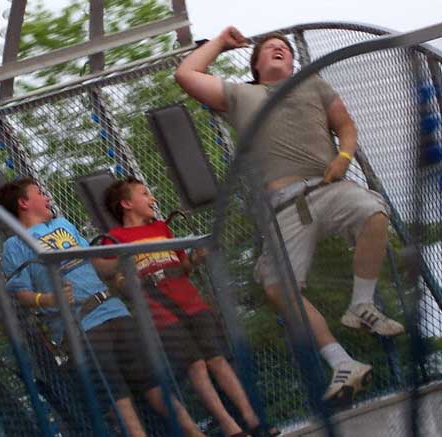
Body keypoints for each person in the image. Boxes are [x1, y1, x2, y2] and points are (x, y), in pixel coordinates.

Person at [174, 26, 405, 403]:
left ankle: (361, 304)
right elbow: (185, 75)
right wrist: (220, 43)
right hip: (284, 206)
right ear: (256, 63)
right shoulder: (240, 94)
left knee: (373, 211)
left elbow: (346, 126)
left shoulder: (313, 85)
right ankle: (342, 362)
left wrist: (344, 158)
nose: (280, 50)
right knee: (278, 287)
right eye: (271, 48)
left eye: (285, 48)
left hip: (328, 186)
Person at [0, 177, 205, 437]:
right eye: (39, 193)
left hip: (115, 311)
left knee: (155, 384)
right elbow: (21, 294)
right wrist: (49, 300)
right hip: (81, 326)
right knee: (119, 399)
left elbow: (97, 265)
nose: (46, 196)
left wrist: (123, 254)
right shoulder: (14, 246)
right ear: (24, 202)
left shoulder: (63, 224)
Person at [102, 176, 279, 437]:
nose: (152, 199)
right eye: (144, 194)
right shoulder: (115, 239)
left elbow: (182, 267)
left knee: (217, 358)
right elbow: (116, 278)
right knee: (195, 365)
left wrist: (194, 259)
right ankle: (231, 427)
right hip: (158, 309)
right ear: (127, 203)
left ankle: (253, 419)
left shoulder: (162, 228)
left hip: (189, 299)